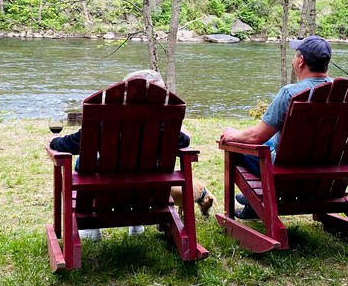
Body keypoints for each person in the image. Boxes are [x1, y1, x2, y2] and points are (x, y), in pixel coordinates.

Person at [49, 69, 191, 240]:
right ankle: (136, 223)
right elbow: (184, 142)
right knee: (149, 168)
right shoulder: (165, 123)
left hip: (106, 193)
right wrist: (184, 133)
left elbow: (72, 144)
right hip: (148, 194)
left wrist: (53, 141)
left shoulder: (104, 118)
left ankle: (92, 229)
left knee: (83, 162)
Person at [219, 35, 333, 219]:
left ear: (301, 60)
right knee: (273, 141)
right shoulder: (343, 92)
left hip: (288, 171)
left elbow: (256, 137)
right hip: (329, 172)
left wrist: (233, 134)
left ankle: (254, 201)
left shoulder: (290, 93)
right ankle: (251, 201)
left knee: (237, 149)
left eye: (296, 55)